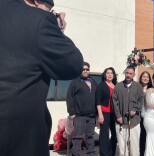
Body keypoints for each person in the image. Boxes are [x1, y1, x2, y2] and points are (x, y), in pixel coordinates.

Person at [0, 0, 83, 155]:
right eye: (49, 9)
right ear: (37, 2)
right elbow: (73, 65)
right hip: (19, 138)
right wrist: (57, 29)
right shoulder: (38, 19)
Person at [66, 62, 98, 156]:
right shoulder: (75, 82)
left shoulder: (93, 82)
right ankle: (76, 154)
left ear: (89, 70)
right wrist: (71, 112)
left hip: (92, 116)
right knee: (78, 137)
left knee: (90, 137)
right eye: (83, 69)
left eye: (87, 69)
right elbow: (69, 97)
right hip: (79, 115)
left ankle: (91, 154)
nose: (85, 71)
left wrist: (97, 112)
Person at [113, 65, 144, 156]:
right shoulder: (118, 86)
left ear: (134, 74)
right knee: (122, 148)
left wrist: (135, 109)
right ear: (125, 73)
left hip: (134, 121)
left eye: (131, 73)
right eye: (127, 73)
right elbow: (115, 102)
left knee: (134, 147)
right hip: (121, 121)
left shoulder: (138, 86)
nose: (128, 75)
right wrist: (118, 116)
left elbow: (141, 100)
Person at [96, 67, 118, 156]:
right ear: (105, 75)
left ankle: (111, 153)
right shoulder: (101, 85)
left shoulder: (116, 86)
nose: (109, 75)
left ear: (114, 75)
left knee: (114, 134)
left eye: (111, 73)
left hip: (114, 114)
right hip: (104, 113)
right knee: (104, 135)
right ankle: (104, 154)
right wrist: (100, 114)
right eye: (107, 73)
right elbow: (98, 101)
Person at [138, 71, 153, 156]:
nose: (145, 78)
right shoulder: (137, 88)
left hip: (149, 116)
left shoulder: (152, 89)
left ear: (149, 79)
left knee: (149, 136)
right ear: (140, 78)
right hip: (138, 116)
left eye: (147, 77)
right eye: (144, 76)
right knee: (141, 136)